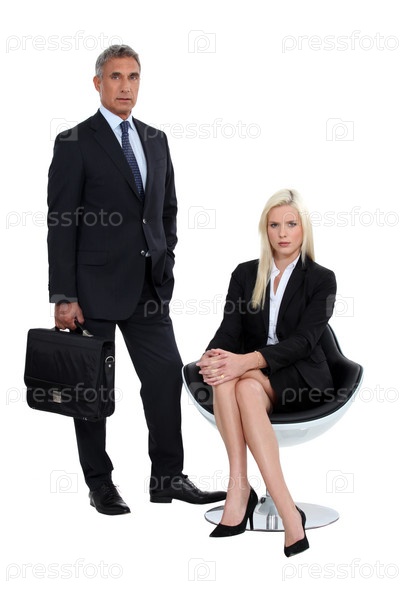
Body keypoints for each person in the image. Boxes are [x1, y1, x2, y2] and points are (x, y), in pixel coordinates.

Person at [47, 44, 226, 515]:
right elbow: (61, 222)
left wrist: (165, 260)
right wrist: (63, 295)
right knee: (92, 389)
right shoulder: (74, 141)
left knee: (166, 377)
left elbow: (166, 209)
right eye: (115, 77)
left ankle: (167, 477)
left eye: (133, 77)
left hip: (148, 287)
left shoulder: (155, 139)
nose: (125, 86)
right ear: (98, 83)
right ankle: (100, 484)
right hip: (91, 291)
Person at [196, 189, 336, 556]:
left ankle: (272, 506)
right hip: (252, 379)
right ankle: (244, 489)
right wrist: (213, 356)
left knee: (237, 378)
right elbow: (228, 332)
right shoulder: (245, 274)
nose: (283, 233)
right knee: (230, 379)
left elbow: (305, 342)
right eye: (274, 225)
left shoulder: (322, 279)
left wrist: (246, 361)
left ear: (304, 228)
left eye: (291, 224)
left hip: (302, 376)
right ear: (265, 229)